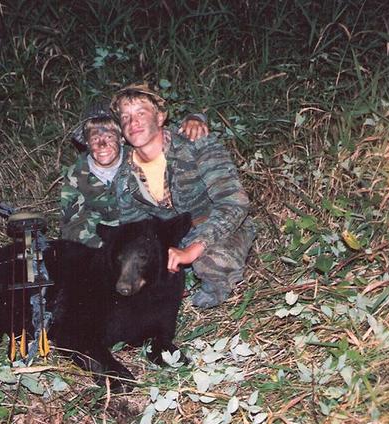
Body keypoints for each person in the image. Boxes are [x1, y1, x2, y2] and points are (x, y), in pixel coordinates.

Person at [110, 83, 255, 308]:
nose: (133, 122)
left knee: (210, 264)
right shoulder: (124, 177)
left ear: (160, 118)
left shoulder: (196, 144)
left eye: (141, 113)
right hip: (172, 239)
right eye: (126, 117)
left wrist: (192, 250)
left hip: (218, 226)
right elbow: (136, 230)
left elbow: (234, 203)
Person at [60, 101, 209, 248]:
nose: (102, 145)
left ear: (122, 138)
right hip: (102, 244)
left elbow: (165, 133)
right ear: (86, 142)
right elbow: (71, 226)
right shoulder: (76, 175)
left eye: (109, 137)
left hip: (148, 236)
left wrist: (194, 120)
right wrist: (105, 248)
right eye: (94, 139)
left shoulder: (138, 158)